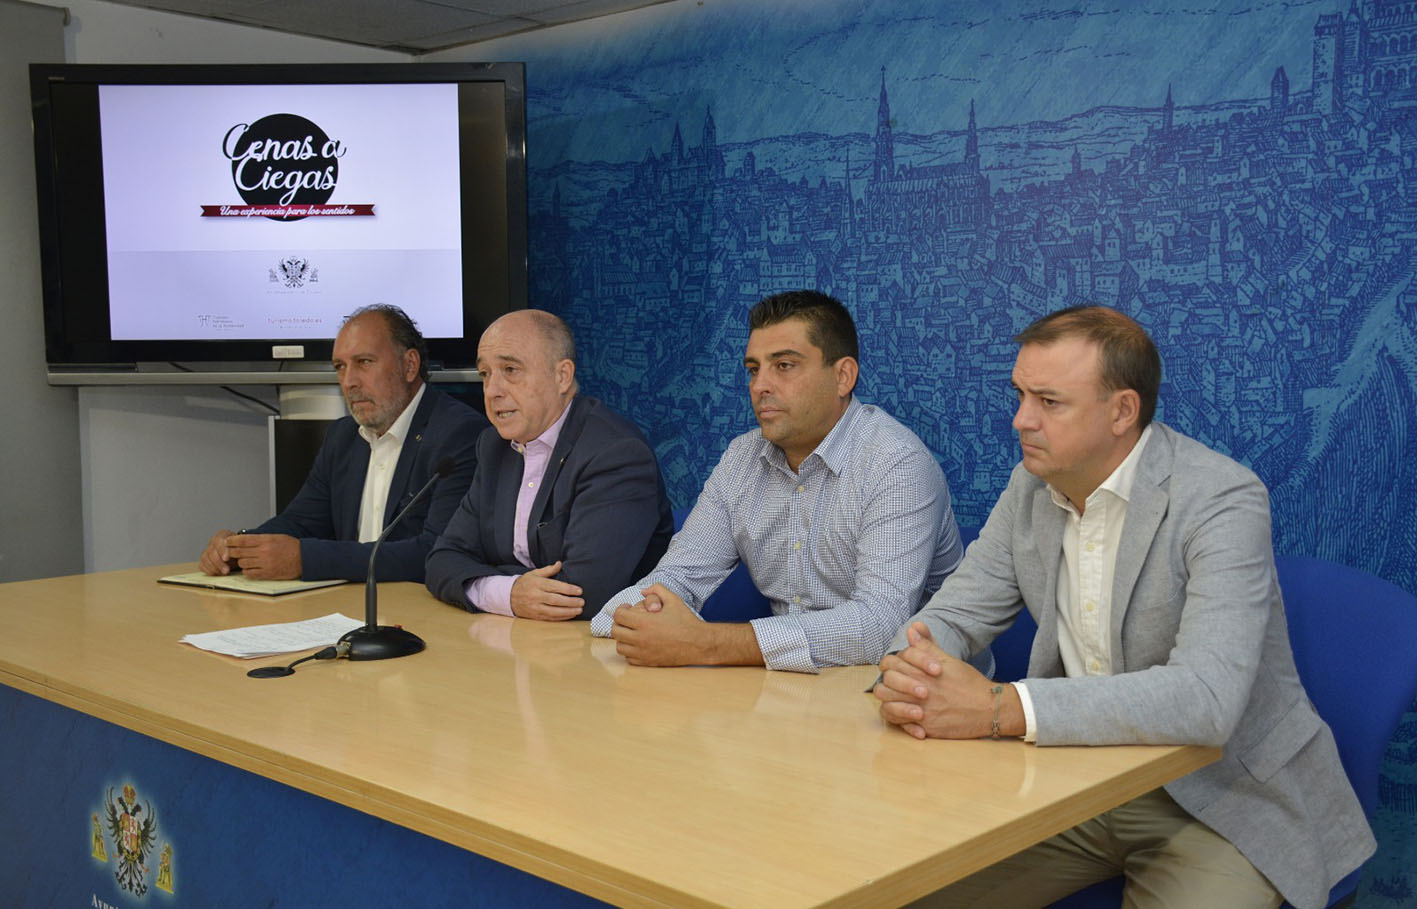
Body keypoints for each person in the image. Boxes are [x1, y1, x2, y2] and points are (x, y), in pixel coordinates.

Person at [873, 306, 1373, 908]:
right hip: (1072, 779)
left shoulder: (1222, 497)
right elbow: (950, 617)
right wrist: (914, 670)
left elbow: (1207, 699)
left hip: (1223, 797)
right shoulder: (1030, 485)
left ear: (1122, 411)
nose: (1020, 420)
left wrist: (996, 707)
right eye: (1020, 395)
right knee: (905, 890)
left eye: (1049, 402)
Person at [590, 290, 972, 673]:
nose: (760, 386)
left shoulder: (896, 463)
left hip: (913, 692)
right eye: (754, 369)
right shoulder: (742, 458)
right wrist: (633, 618)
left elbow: (879, 627)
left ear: (843, 376)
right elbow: (677, 576)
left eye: (784, 366)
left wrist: (709, 644)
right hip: (791, 689)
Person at [197, 304, 487, 582]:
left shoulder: (459, 434)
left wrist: (306, 560)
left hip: (419, 614)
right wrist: (238, 547)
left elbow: (434, 551)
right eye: (340, 367)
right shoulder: (343, 437)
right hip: (348, 609)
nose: (349, 381)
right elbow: (301, 522)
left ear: (409, 365)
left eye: (364, 362)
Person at [425, 310, 673, 620]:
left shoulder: (616, 454)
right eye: (485, 374)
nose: (492, 390)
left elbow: (584, 594)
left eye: (510, 369)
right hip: (521, 641)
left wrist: (486, 578)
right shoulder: (493, 447)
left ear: (562, 376)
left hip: (603, 652)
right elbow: (441, 560)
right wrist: (511, 594)